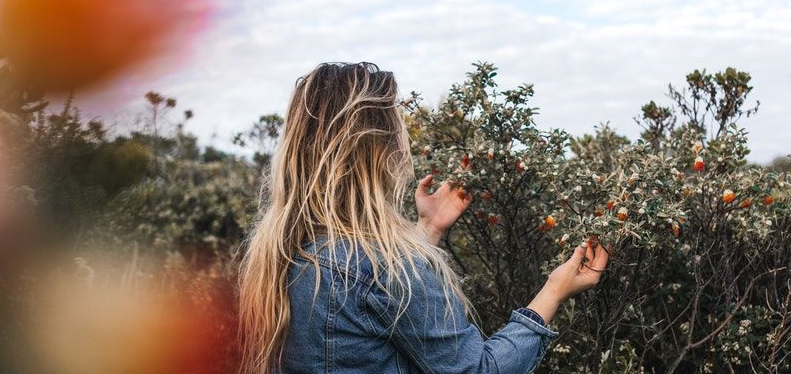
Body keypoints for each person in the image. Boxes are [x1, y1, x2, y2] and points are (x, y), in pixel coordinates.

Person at [238, 62, 608, 373]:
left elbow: (362, 314)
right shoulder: (381, 266)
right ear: (376, 150)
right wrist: (554, 291)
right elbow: (481, 369)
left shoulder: (281, 251)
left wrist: (427, 229)